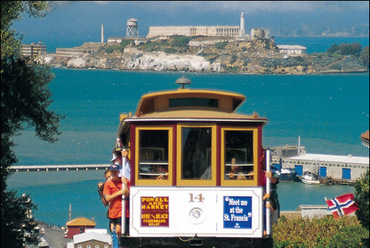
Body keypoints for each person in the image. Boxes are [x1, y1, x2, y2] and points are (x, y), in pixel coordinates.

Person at [103, 164, 130, 248]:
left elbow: (128, 194)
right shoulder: (108, 184)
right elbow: (107, 198)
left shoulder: (124, 181)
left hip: (123, 211)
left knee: (119, 231)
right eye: (112, 171)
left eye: (115, 171)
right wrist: (119, 193)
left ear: (118, 172)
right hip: (113, 212)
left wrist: (125, 185)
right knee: (114, 231)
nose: (114, 173)